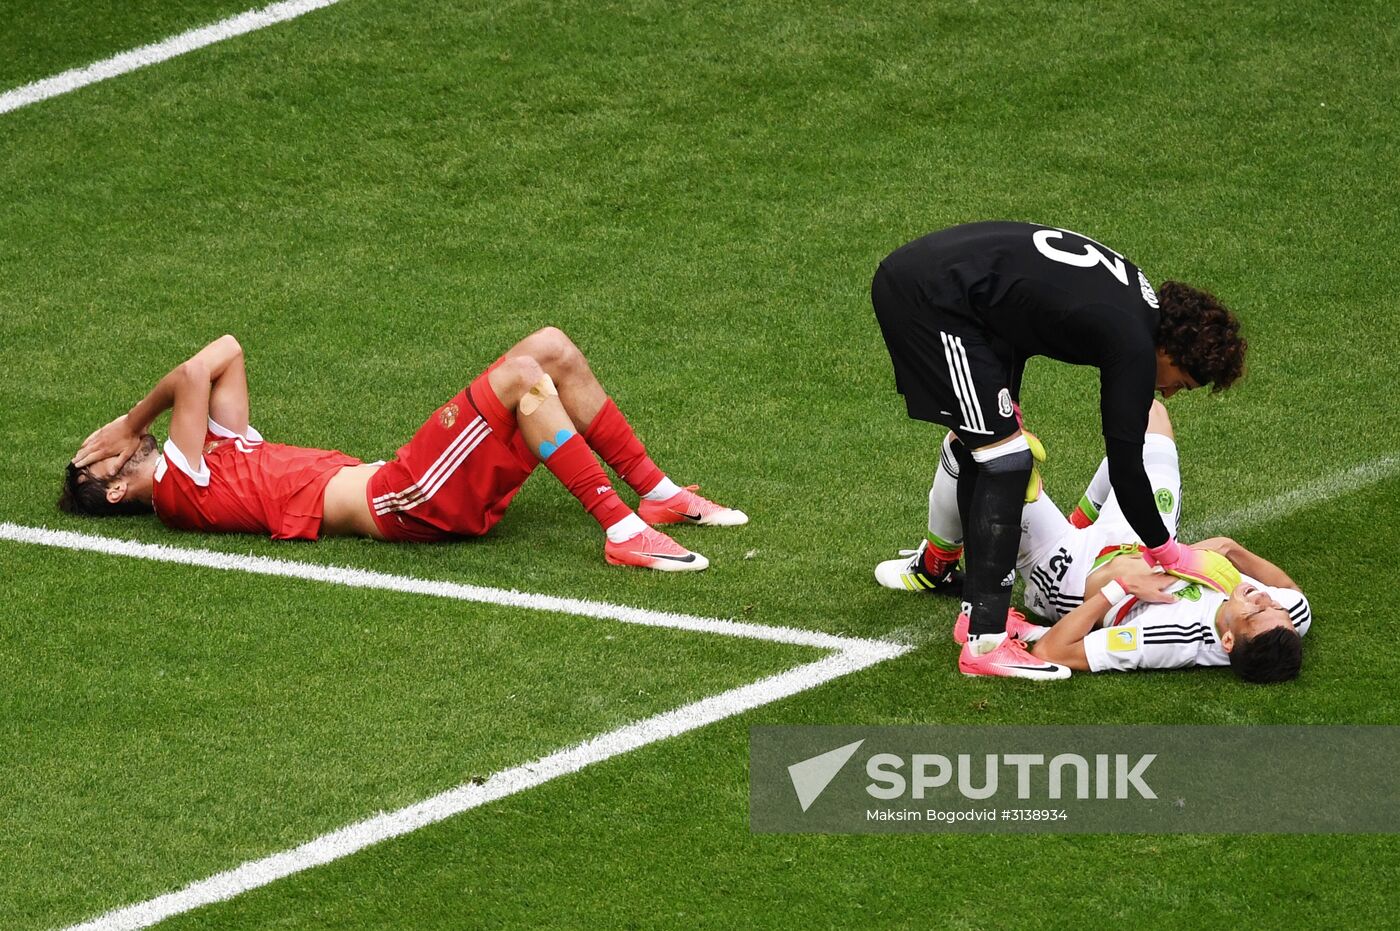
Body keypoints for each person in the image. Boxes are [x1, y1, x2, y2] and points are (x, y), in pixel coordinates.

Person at [871, 220, 1246, 679]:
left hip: (966, 300)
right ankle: (983, 647)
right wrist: (1170, 555)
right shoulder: (1133, 342)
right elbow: (1126, 469)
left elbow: (1027, 301)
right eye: (1180, 384)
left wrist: (1008, 397)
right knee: (1006, 461)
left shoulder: (1139, 304)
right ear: (1171, 352)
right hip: (931, 299)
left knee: (993, 448)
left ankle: (976, 614)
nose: (1168, 394)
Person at [61, 329, 746, 570]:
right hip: (402, 498)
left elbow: (227, 351)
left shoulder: (214, 455)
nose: (113, 442)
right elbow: (189, 376)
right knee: (519, 378)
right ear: (117, 489)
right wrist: (132, 418)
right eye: (100, 457)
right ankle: (620, 529)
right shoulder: (178, 494)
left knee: (550, 348)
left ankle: (654, 492)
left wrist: (130, 426)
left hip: (401, 483)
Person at [877, 400, 1310, 682]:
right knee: (1145, 413)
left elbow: (1054, 648)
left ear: (1228, 642)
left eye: (1255, 613)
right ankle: (1078, 519)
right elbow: (1292, 594)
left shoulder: (1169, 639)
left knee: (972, 445)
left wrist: (1119, 590)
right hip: (1148, 542)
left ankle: (934, 565)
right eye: (1271, 607)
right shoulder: (1286, 619)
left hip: (1074, 573)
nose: (1263, 601)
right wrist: (1231, 550)